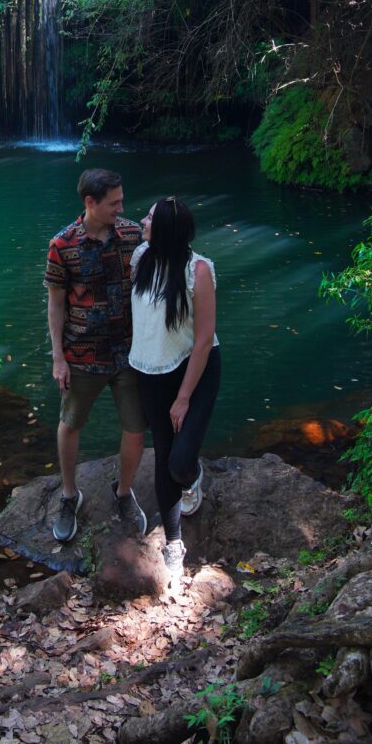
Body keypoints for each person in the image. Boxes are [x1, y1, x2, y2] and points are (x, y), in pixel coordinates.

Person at [45, 168, 148, 542]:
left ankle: (123, 494)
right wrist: (58, 357)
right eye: (113, 203)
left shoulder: (135, 235)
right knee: (70, 423)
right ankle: (70, 495)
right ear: (90, 202)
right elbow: (56, 304)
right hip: (82, 353)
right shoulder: (62, 245)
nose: (121, 208)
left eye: (121, 201)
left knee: (136, 429)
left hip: (130, 353)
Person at [130, 196, 220, 583]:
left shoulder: (197, 271)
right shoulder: (141, 259)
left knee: (180, 463)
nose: (142, 221)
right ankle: (174, 543)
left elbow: (202, 341)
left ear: (165, 229)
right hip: (150, 372)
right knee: (165, 457)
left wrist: (183, 397)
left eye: (149, 218)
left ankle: (193, 474)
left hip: (195, 371)